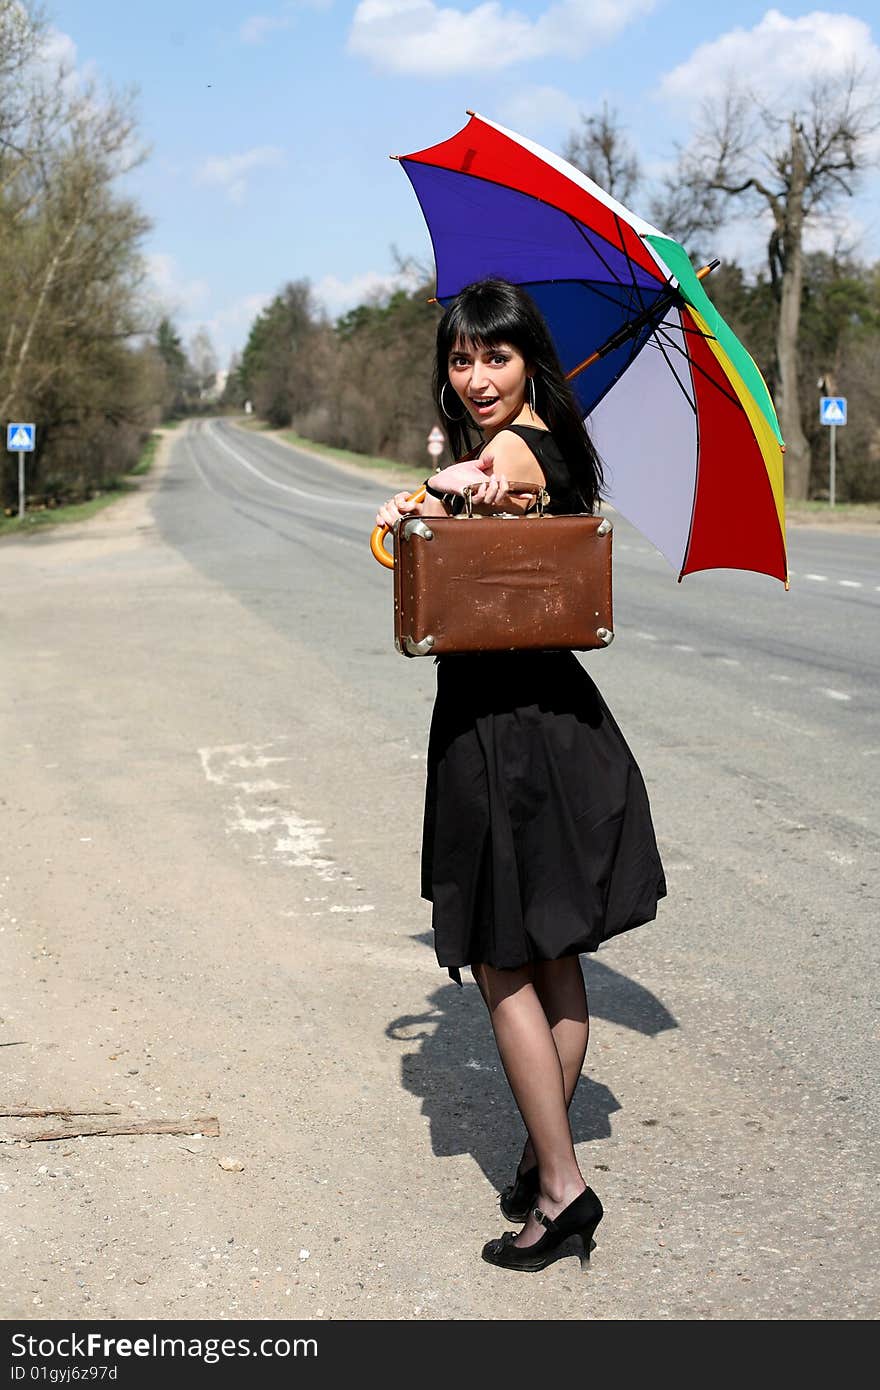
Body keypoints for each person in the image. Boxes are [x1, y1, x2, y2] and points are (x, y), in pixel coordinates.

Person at [375, 278, 666, 1273]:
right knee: (554, 953)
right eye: (461, 358)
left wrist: (439, 493)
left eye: (495, 356)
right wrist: (442, 497)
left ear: (529, 358)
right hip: (560, 723)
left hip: (501, 734)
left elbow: (489, 491)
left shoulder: (506, 452)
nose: (476, 375)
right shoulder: (563, 438)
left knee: (503, 958)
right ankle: (546, 1162)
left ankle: (562, 1183)